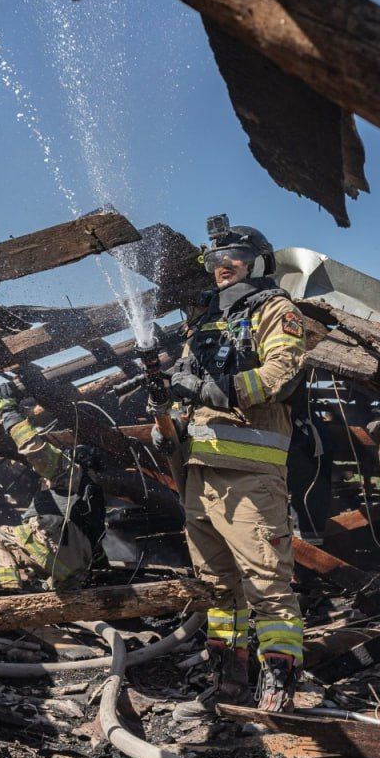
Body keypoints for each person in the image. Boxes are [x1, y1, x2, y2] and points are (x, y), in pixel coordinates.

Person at [153, 215, 307, 715]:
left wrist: (218, 389)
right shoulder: (203, 321)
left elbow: (282, 374)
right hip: (200, 475)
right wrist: (168, 420)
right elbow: (182, 383)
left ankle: (279, 690)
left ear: (258, 262)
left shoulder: (275, 309)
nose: (222, 267)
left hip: (251, 477)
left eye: (233, 258)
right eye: (215, 260)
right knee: (219, 590)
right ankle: (228, 684)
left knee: (266, 583)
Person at [0, 379, 107, 591]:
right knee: (39, 577)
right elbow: (98, 548)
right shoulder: (92, 496)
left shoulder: (69, 470)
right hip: (70, 568)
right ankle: (44, 589)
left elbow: (34, 448)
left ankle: (8, 590)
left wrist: (8, 411)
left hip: (49, 547)